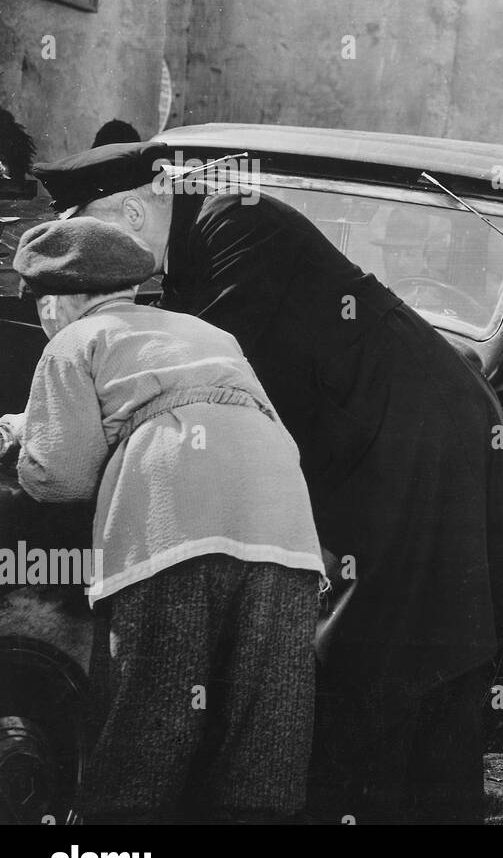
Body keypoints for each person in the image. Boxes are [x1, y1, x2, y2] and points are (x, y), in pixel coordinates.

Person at [31, 140, 503, 823]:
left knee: (393, 663)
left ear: (132, 210)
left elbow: (205, 383)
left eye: (92, 230)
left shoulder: (235, 224)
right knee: (399, 663)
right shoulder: (199, 237)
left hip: (413, 441)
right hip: (374, 445)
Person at [6, 218, 323, 822]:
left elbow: (59, 475)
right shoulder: (206, 331)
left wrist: (20, 436)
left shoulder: (75, 342)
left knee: (148, 716)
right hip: (283, 523)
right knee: (266, 730)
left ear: (59, 299)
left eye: (42, 303)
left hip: (174, 522)